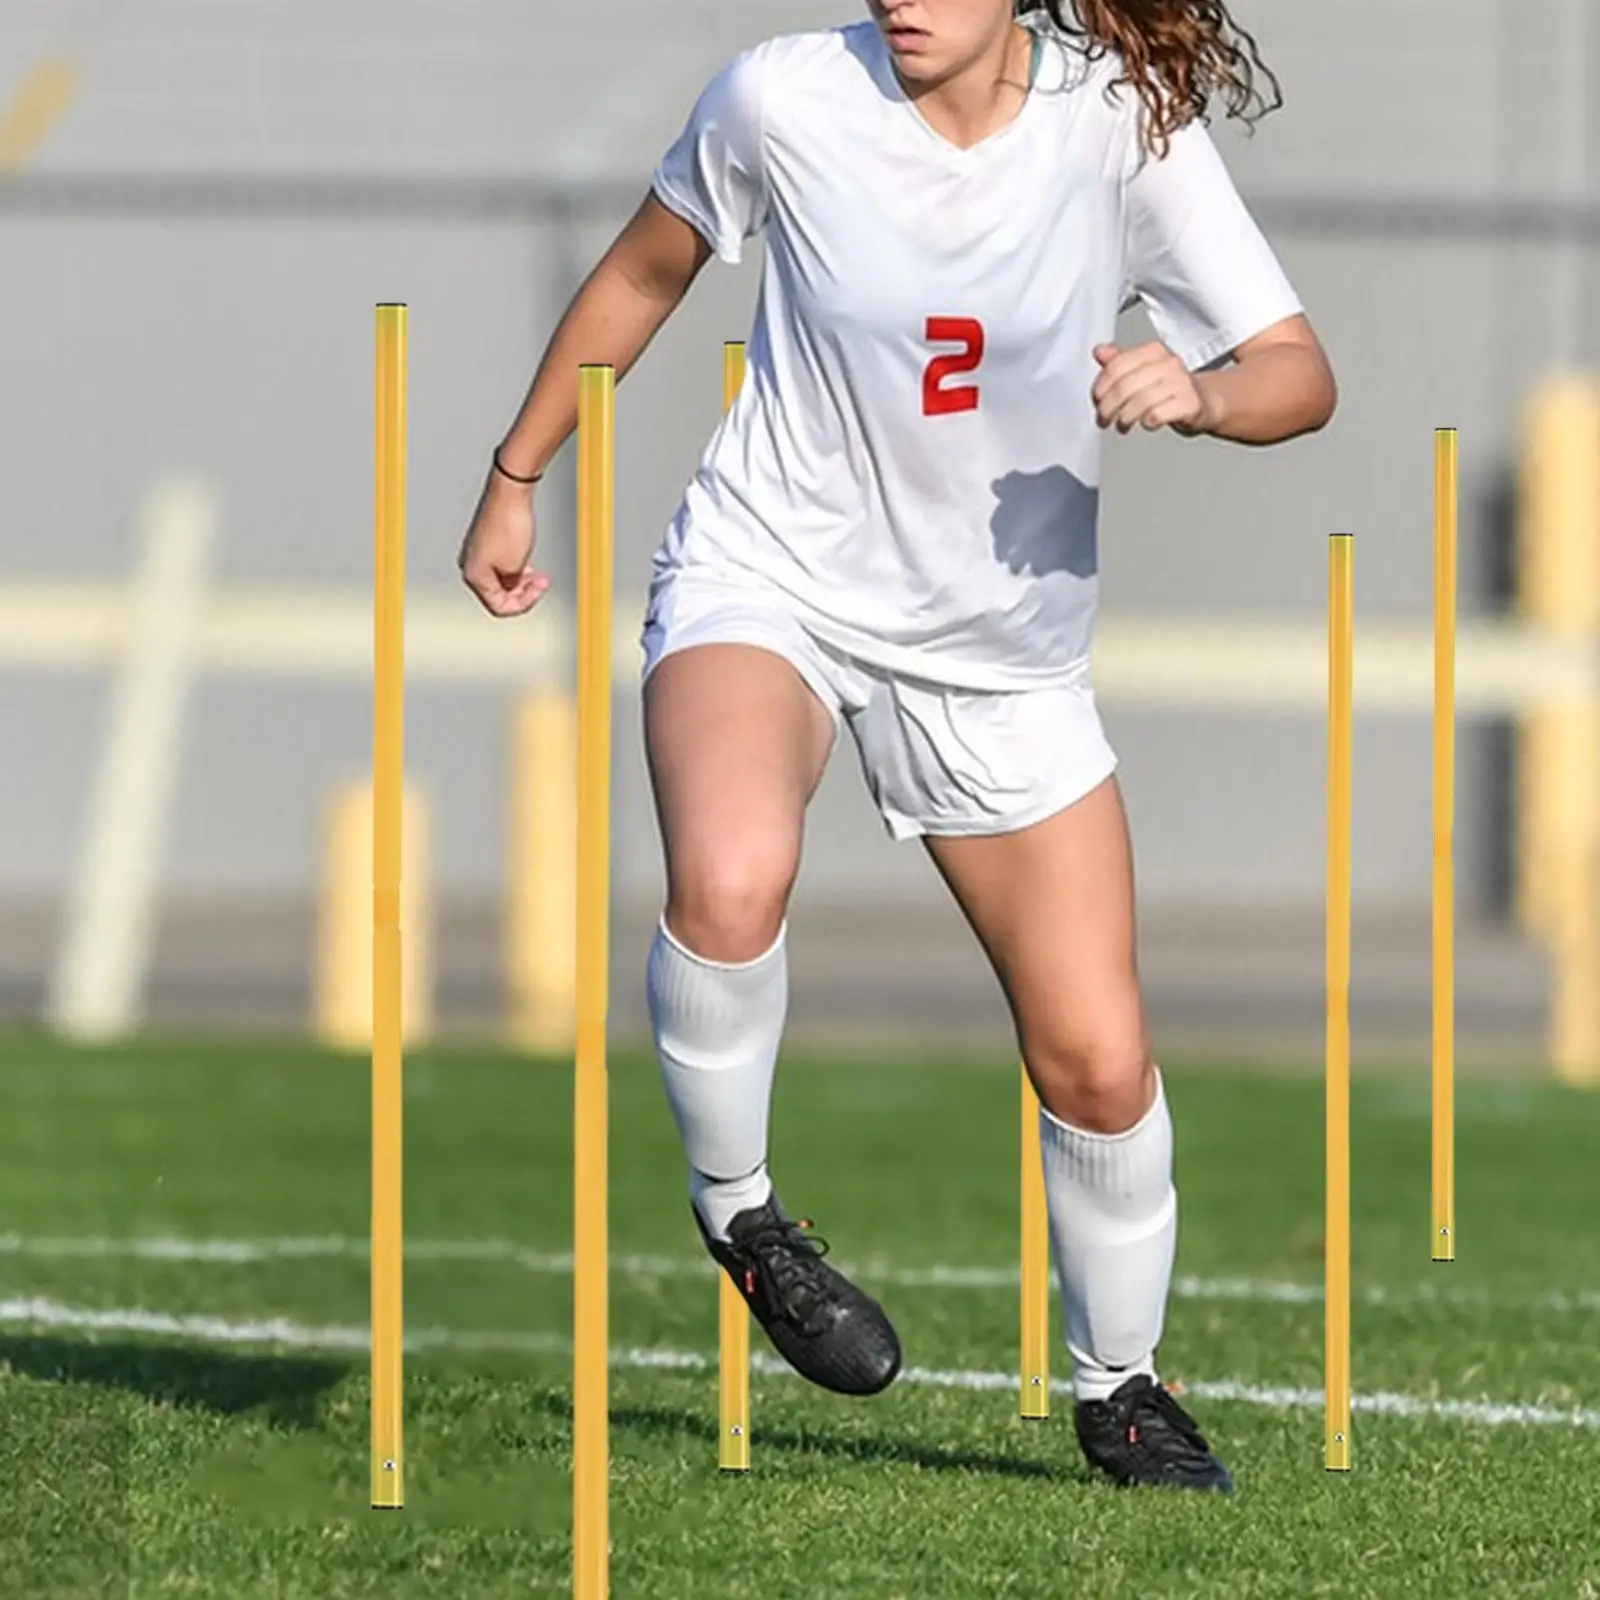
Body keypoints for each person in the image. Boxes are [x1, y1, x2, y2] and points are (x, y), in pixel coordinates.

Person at [459, 0, 1336, 1494]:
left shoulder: (1119, 122)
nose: (901, 4)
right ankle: (745, 1215)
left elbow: (1298, 372)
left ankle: (1120, 1388)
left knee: (1101, 1060)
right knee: (731, 877)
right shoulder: (783, 100)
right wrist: (515, 471)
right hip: (774, 575)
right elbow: (644, 270)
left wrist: (1199, 394)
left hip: (1001, 656)